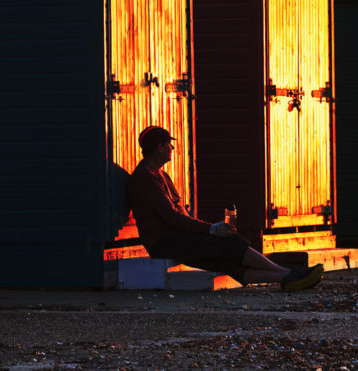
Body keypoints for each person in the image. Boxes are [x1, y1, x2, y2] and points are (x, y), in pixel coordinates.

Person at [126, 125, 323, 292]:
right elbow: (171, 217)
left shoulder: (159, 175)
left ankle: (285, 278)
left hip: (175, 237)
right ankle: (289, 274)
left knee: (225, 262)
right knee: (229, 242)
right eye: (168, 143)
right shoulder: (145, 178)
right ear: (159, 147)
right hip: (164, 242)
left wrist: (208, 229)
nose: (172, 147)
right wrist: (211, 229)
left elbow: (180, 216)